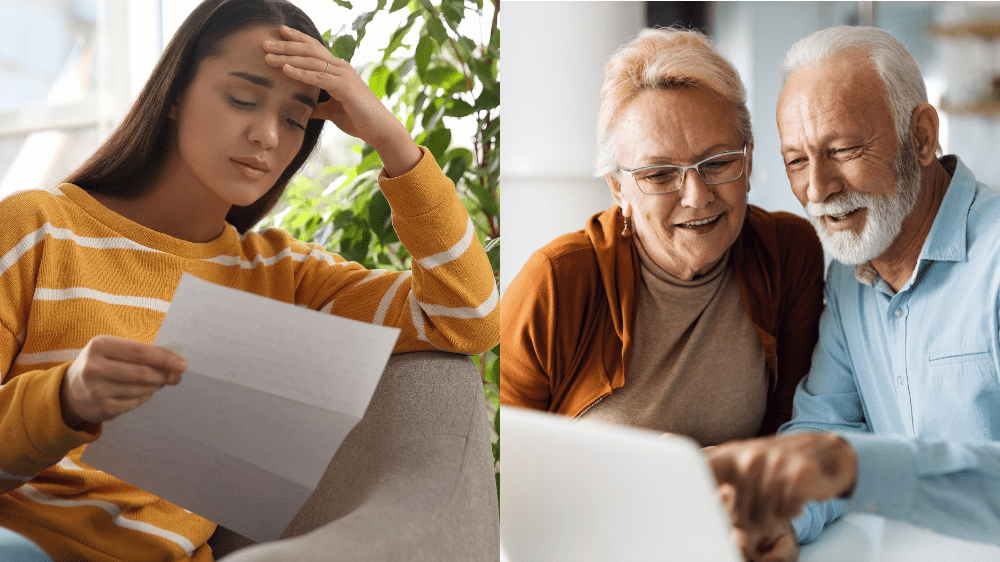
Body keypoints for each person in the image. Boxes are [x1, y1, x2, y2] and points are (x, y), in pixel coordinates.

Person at [0, 0, 499, 560]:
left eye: (294, 118)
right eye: (242, 98)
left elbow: (468, 317)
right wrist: (65, 400)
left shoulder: (282, 277)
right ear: (173, 93)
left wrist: (392, 141)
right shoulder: (34, 229)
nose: (267, 135)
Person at [708, 25, 1000, 561]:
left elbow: (840, 457)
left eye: (842, 149)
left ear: (921, 137)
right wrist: (784, 520)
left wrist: (856, 468)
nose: (817, 190)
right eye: (797, 161)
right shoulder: (851, 275)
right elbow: (826, 426)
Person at [501, 28, 824, 448]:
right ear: (618, 189)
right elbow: (503, 462)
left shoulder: (788, 252)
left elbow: (791, 429)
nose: (697, 196)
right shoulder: (557, 280)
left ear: (747, 160)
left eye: (718, 162)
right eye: (659, 174)